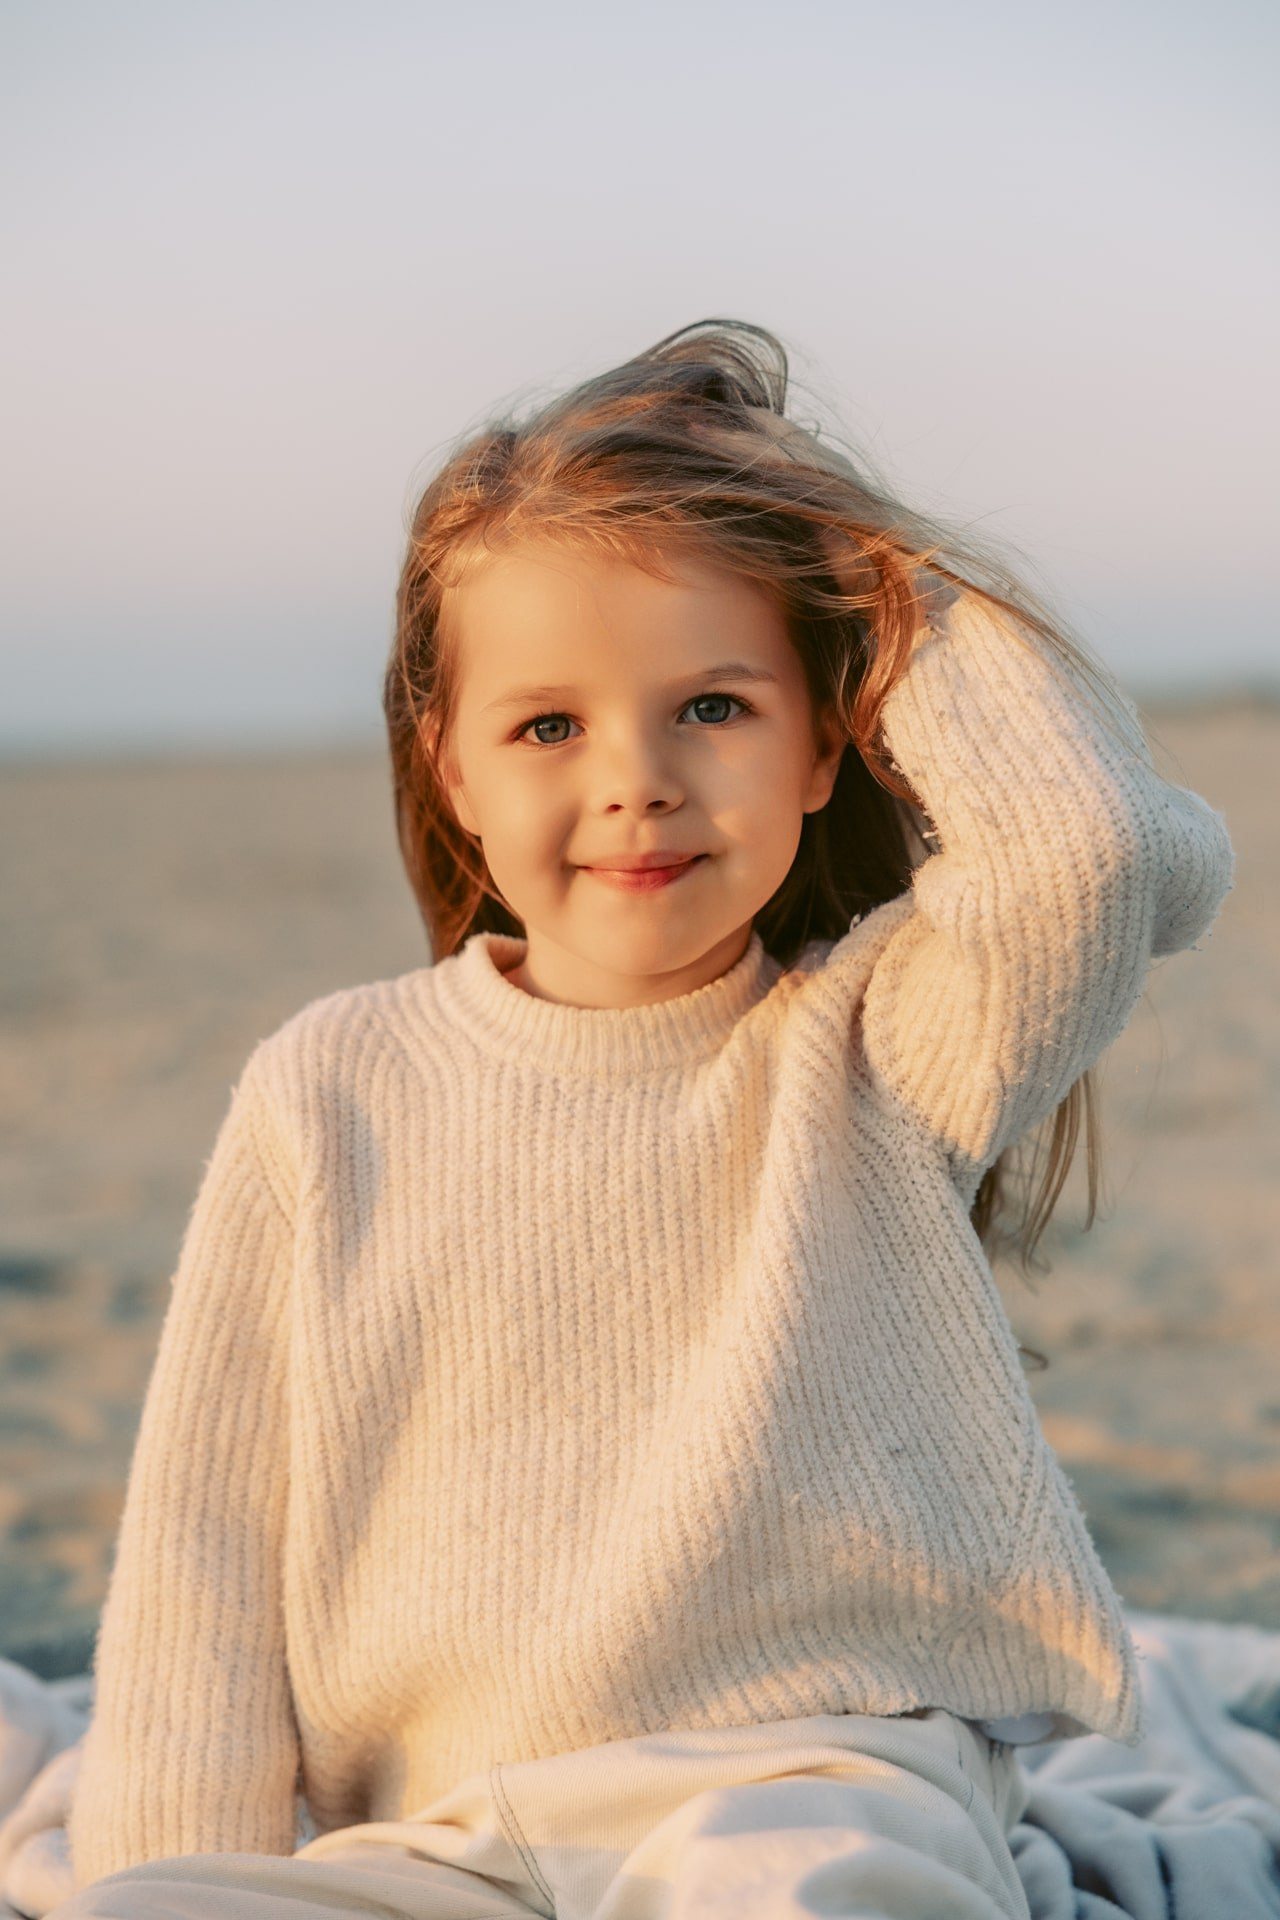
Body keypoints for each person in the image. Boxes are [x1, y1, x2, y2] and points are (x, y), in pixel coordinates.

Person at [56, 322, 1233, 1919]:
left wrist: (876, 576)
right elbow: (204, 1561)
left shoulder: (875, 1050)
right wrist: (159, 1870)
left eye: (716, 708)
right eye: (550, 726)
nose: (639, 780)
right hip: (444, 1830)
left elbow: (1088, 854)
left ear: (830, 745)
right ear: (452, 767)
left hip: (804, 1782)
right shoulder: (328, 1086)